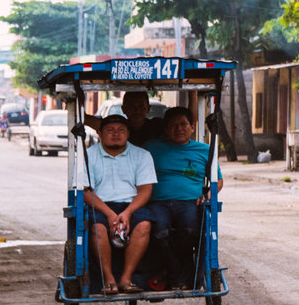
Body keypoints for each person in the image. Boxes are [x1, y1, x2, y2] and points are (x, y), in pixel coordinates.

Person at [79, 114, 159, 295]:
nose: (116, 134)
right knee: (97, 227)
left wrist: (128, 213)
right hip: (100, 205)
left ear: (128, 133)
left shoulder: (142, 155)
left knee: (144, 225)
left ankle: (126, 278)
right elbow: (85, 191)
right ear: (99, 133)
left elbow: (145, 191)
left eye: (121, 130)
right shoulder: (87, 156)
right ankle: (108, 279)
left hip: (132, 205)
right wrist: (110, 214)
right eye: (110, 130)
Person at [146, 107, 217, 289]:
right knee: (159, 231)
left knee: (190, 230)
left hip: (189, 202)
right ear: (166, 129)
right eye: (174, 125)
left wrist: (206, 195)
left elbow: (219, 181)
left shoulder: (204, 150)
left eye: (184, 124)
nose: (179, 128)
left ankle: (172, 272)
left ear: (192, 127)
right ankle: (178, 273)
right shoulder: (151, 148)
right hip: (157, 202)